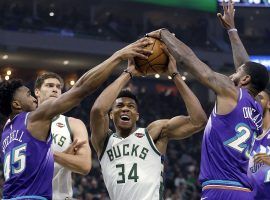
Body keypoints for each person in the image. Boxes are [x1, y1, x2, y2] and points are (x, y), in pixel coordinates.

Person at [0, 37, 153, 199]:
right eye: (29, 94)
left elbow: (30, 170)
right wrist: (118, 57)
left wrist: (52, 156)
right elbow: (81, 89)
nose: (33, 99)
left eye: (58, 87)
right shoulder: (33, 118)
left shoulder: (6, 132)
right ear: (17, 105)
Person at [147, 22, 269, 200]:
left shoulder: (231, 91)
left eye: (237, 73)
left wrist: (163, 33)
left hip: (220, 189)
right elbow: (246, 65)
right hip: (244, 192)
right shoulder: (257, 107)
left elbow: (189, 60)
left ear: (245, 79)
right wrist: (232, 30)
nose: (231, 75)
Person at [90, 48, 207, 200]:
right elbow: (98, 109)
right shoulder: (103, 141)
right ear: (111, 114)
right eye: (119, 106)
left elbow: (198, 121)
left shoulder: (153, 133)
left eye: (131, 107)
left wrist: (175, 75)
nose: (125, 108)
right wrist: (128, 73)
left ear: (137, 116)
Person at [217, 1, 270, 198]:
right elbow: (246, 71)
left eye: (261, 97)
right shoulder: (248, 128)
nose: (255, 99)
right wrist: (232, 30)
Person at [34, 72, 91, 200]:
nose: (55, 89)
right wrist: (65, 156)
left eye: (58, 87)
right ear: (37, 91)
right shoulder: (22, 121)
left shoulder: (73, 123)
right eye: (49, 85)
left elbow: (84, 165)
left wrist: (51, 154)